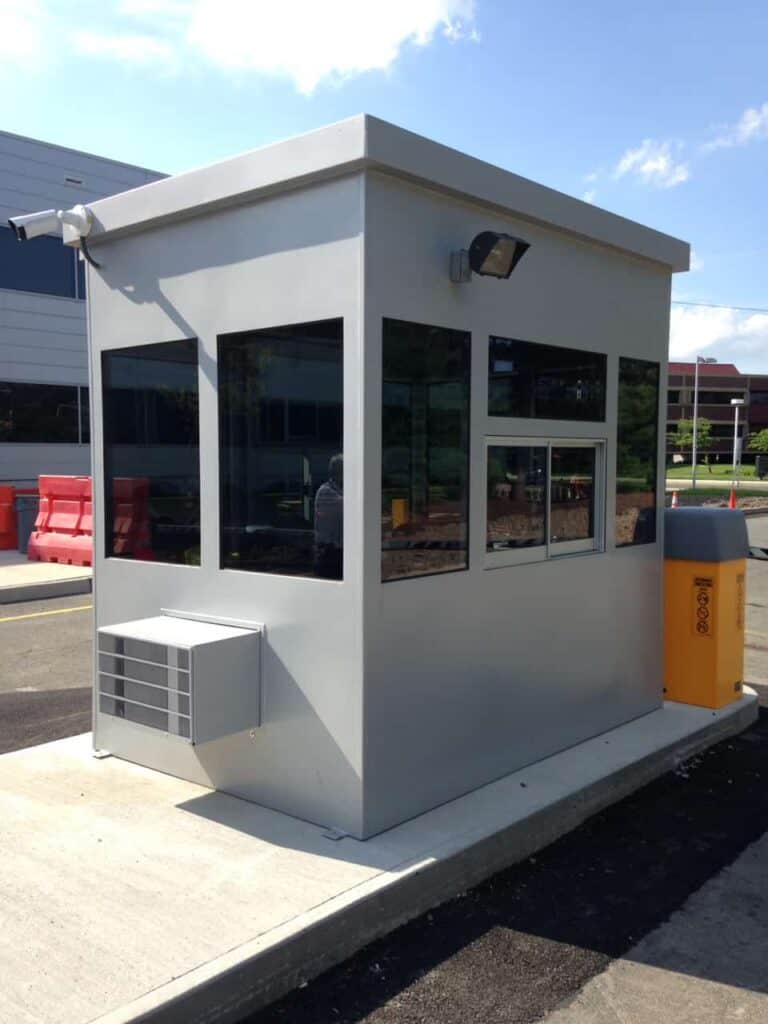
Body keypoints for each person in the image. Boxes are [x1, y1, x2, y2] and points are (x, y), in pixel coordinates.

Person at [314, 454, 343, 579]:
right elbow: (350, 506)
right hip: (328, 554)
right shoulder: (326, 491)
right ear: (338, 472)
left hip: (339, 552)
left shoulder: (341, 490)